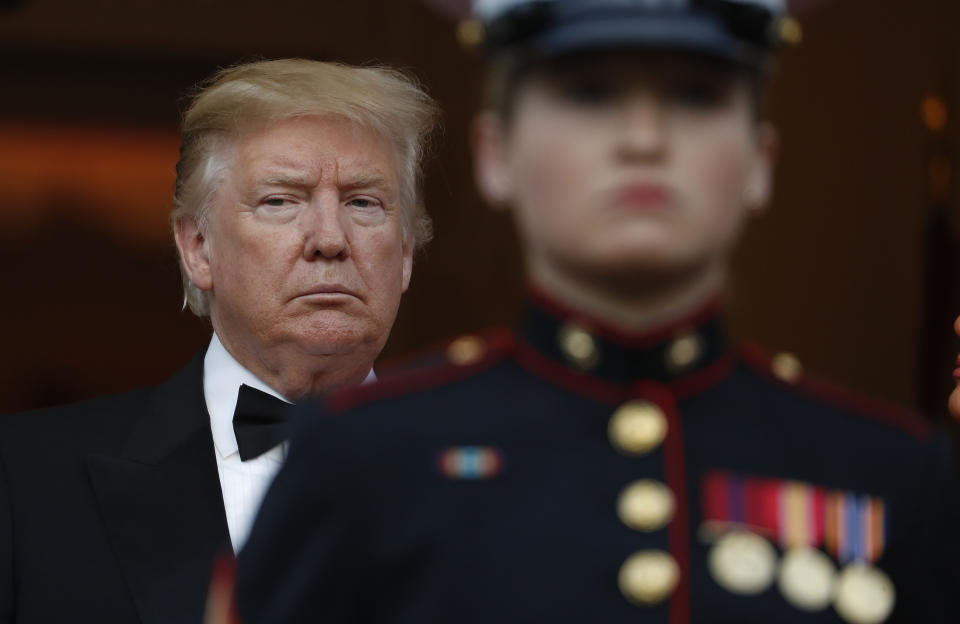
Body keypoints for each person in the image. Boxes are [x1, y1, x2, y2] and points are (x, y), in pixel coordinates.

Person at [237, 3, 958, 623]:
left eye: (697, 96)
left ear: (761, 158)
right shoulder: (361, 460)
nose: (643, 139)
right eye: (588, 93)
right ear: (497, 154)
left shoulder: (893, 475)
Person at [0, 58, 438, 623]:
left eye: (363, 203)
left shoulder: (505, 479)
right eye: (281, 200)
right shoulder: (25, 481)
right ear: (198, 247)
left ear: (404, 255)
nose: (330, 239)